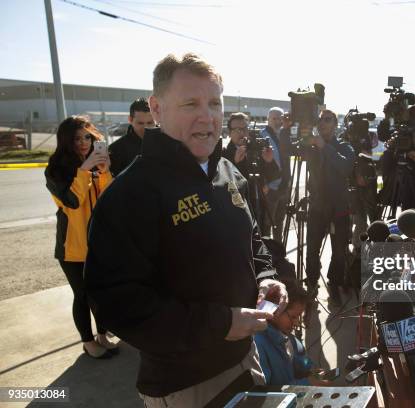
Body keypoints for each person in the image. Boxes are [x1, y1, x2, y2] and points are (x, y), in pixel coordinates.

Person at [83, 53, 288, 407]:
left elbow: (251, 239)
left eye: (214, 103)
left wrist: (266, 275)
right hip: (185, 384)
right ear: (157, 109)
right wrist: (221, 324)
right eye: (191, 103)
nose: (207, 116)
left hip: (245, 358)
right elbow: (117, 304)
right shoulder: (132, 193)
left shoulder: (225, 171)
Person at [44, 116, 116, 359]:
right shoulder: (55, 170)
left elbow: (110, 199)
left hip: (100, 244)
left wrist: (104, 172)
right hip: (72, 246)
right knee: (83, 295)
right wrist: (84, 171)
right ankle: (87, 341)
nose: (84, 143)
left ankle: (102, 334)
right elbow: (73, 202)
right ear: (66, 141)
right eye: (77, 138)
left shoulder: (94, 164)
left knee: (102, 292)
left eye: (87, 136)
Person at [304, 109, 355, 304]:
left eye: (328, 119)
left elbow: (345, 168)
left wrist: (324, 146)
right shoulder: (311, 145)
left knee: (339, 250)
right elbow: (288, 150)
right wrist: (286, 129)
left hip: (339, 207)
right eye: (320, 120)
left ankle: (335, 283)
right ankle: (311, 282)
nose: (323, 123)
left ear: (335, 123)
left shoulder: (344, 146)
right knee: (312, 249)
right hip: (317, 206)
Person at [222, 112, 280, 225]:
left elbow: (274, 175)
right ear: (229, 132)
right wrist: (236, 163)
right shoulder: (224, 153)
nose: (242, 132)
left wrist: (269, 161)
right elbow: (222, 185)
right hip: (237, 212)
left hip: (260, 208)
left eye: (244, 128)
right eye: (237, 129)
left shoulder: (256, 149)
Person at [254, 281, 312, 386]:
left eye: (298, 317)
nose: (296, 323)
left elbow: (297, 360)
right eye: (293, 317)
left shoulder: (287, 336)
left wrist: (310, 370)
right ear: (273, 310)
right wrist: (308, 384)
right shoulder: (257, 345)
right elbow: (267, 394)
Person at [260, 107, 291, 241]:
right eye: (274, 118)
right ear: (268, 119)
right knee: (267, 224)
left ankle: (279, 254)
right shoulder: (262, 135)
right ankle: (267, 255)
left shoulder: (284, 135)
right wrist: (264, 184)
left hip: (283, 187)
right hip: (270, 188)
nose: (277, 121)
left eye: (280, 118)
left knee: (279, 223)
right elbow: (258, 163)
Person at [108, 98, 155, 176]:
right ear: (130, 120)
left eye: (150, 123)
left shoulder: (167, 144)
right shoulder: (115, 150)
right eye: (140, 123)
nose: (145, 128)